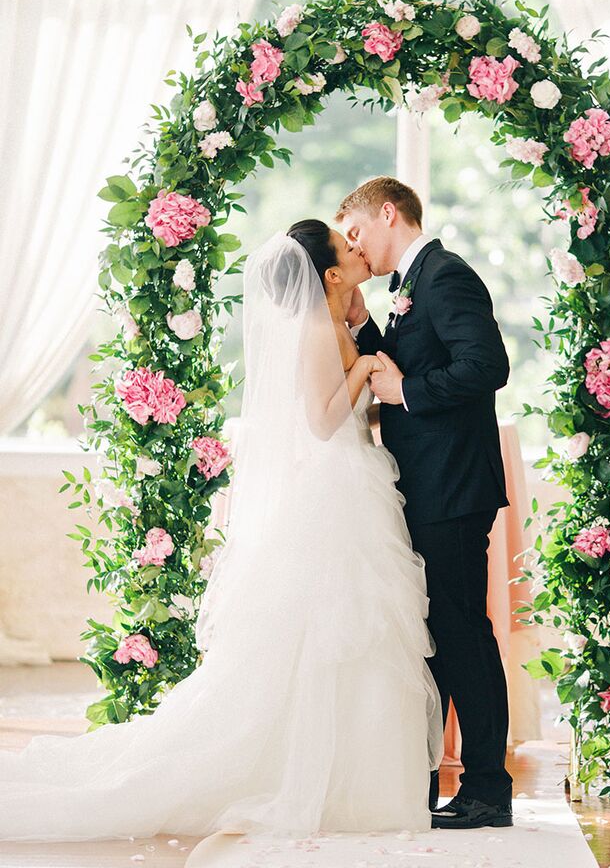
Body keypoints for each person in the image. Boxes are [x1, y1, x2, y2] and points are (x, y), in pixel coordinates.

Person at [0, 225, 444, 846]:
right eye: (347, 251)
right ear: (330, 276)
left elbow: (342, 408)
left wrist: (367, 368)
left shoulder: (326, 322)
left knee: (351, 633)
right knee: (337, 631)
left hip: (349, 478)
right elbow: (321, 422)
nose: (357, 251)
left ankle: (354, 783)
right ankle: (331, 783)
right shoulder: (317, 328)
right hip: (334, 488)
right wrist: (368, 365)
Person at [337, 176, 514, 829]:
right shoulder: (413, 284)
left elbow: (486, 365)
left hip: (453, 487)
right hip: (430, 485)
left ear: (389, 213)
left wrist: (409, 392)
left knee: (465, 633)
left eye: (356, 231)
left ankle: (489, 790)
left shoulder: (444, 276)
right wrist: (363, 327)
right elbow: (401, 364)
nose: (355, 248)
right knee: (442, 635)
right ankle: (439, 782)